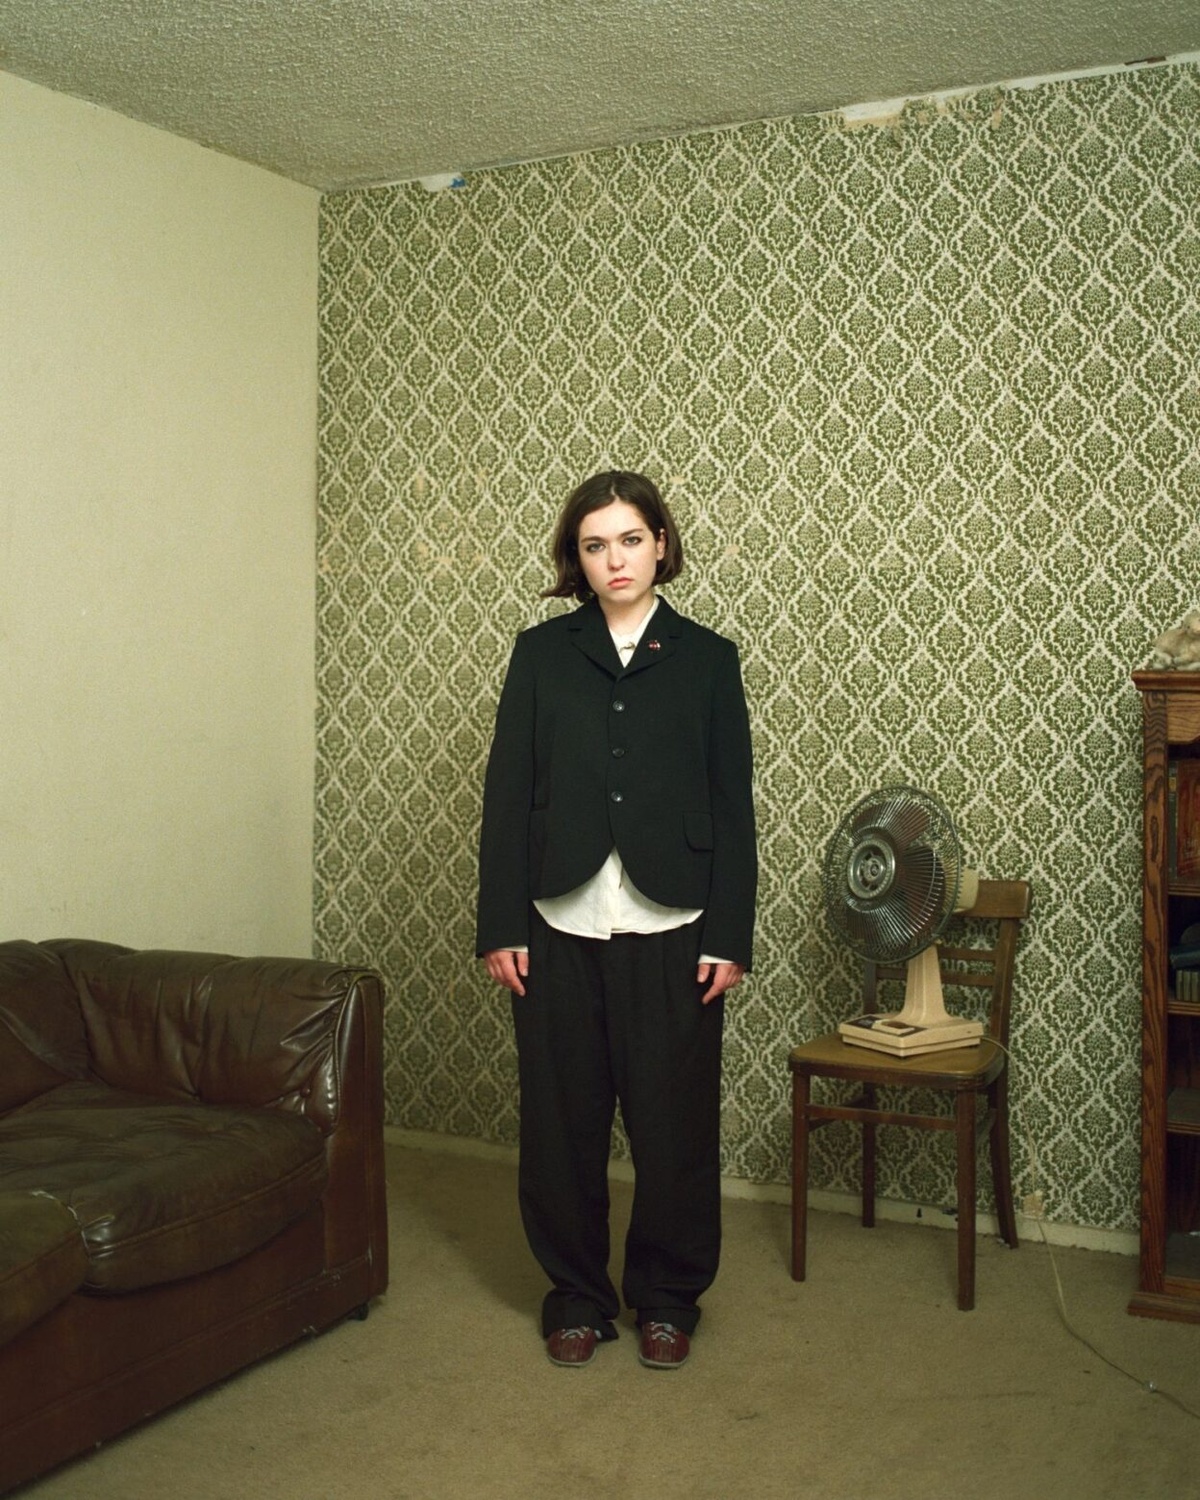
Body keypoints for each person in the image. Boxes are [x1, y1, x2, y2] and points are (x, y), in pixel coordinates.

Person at [476, 469, 757, 1371]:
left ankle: (668, 1299)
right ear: (578, 558)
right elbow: (508, 794)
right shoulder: (540, 655)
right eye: (595, 545)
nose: (615, 560)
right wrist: (501, 924)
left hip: (676, 924)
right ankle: (576, 1298)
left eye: (631, 540)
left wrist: (729, 934)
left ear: (661, 545)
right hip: (556, 922)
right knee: (561, 1125)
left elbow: (733, 806)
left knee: (675, 1128)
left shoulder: (709, 660)